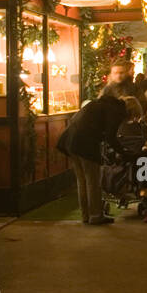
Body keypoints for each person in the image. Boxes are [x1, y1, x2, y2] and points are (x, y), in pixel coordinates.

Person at [59, 84, 127, 225]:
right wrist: (123, 152)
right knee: (92, 180)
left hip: (70, 141)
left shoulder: (96, 105)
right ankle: (96, 216)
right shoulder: (116, 109)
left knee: (82, 181)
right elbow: (110, 136)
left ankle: (86, 215)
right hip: (84, 143)